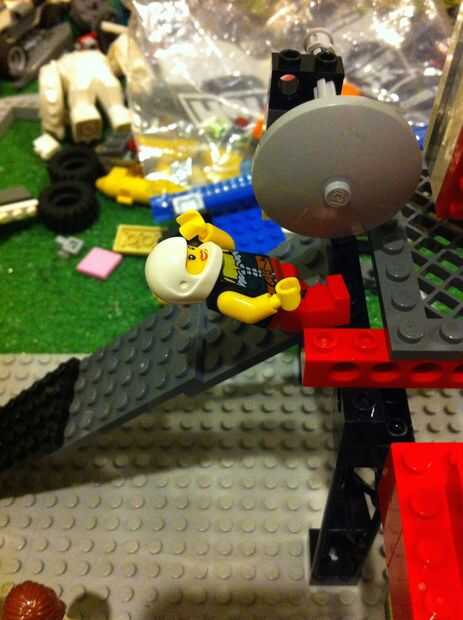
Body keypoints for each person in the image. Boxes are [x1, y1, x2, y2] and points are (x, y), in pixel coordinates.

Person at [145, 210, 349, 331]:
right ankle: (340, 308)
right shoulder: (222, 297)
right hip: (285, 308)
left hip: (278, 273)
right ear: (185, 283)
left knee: (304, 283)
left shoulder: (217, 258)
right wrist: (277, 301)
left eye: (191, 249)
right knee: (314, 309)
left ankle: (328, 294)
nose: (197, 251)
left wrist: (207, 231)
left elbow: (229, 244)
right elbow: (250, 312)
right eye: (191, 258)